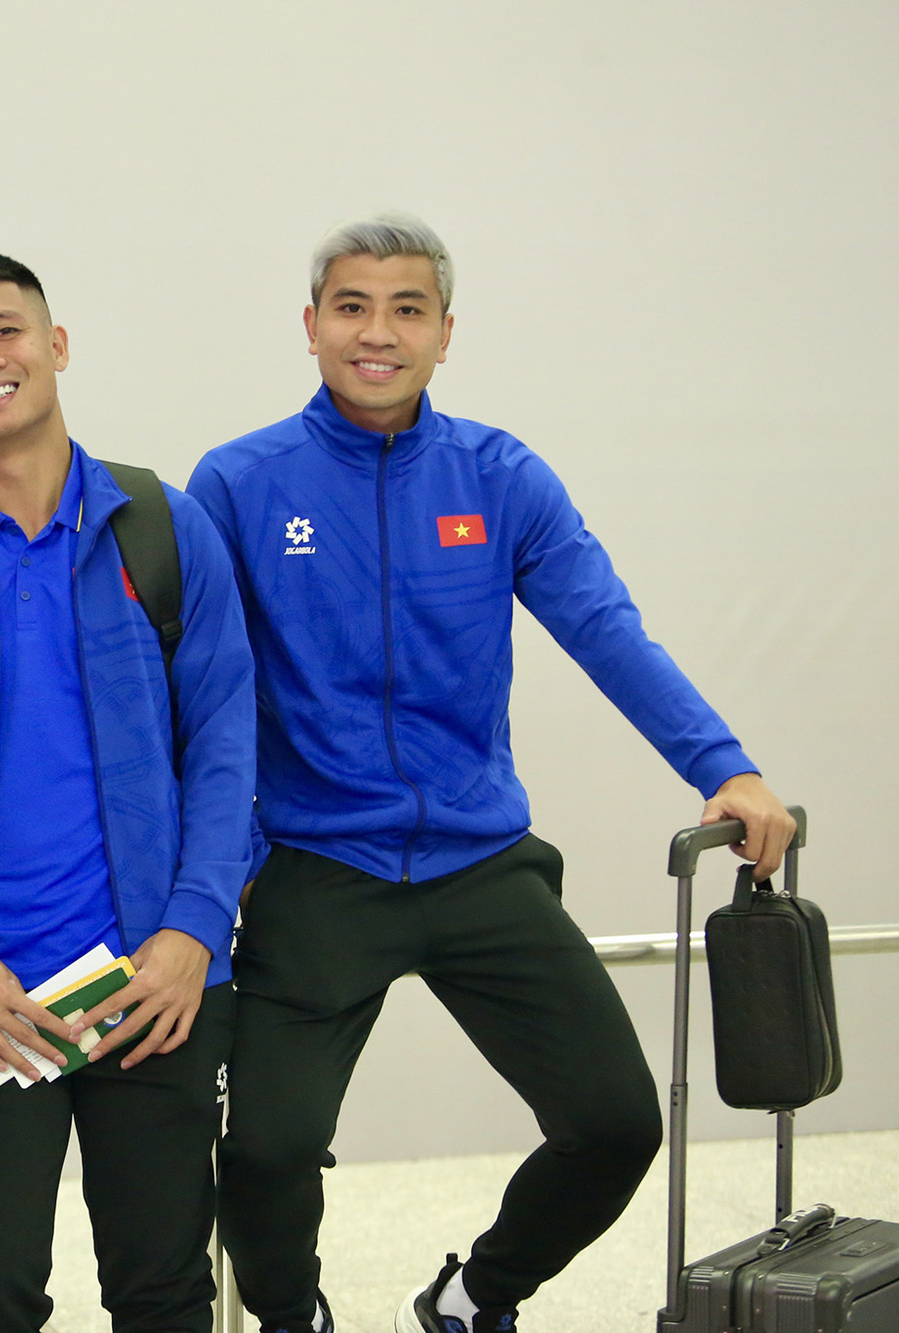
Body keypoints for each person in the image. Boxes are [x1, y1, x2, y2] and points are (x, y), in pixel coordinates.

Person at [186, 212, 799, 1333]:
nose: (378, 333)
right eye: (352, 307)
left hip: (478, 861)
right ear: (311, 326)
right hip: (318, 866)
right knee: (265, 1152)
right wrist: (226, 865)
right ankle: (288, 1316)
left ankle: (468, 1300)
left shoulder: (500, 476)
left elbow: (606, 630)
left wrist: (726, 766)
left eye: (406, 310)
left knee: (616, 1123)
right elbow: (205, 694)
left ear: (445, 332)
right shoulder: (237, 483)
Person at [0, 252, 258, 1333]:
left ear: (56, 346)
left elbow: (226, 742)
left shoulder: (163, 527)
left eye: (6, 331)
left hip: (154, 985)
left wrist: (192, 931)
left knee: (164, 1292)